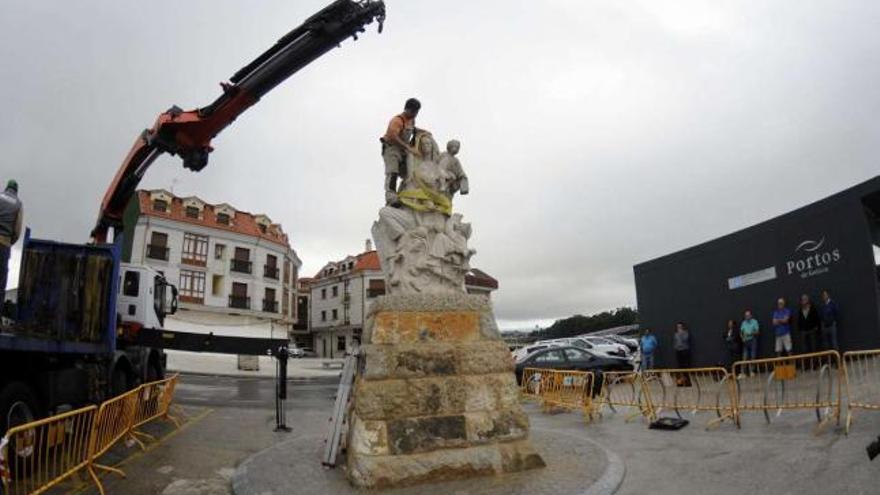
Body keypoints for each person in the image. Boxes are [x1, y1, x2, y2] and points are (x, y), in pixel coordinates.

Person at [380, 98, 421, 206]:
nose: (415, 115)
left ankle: (404, 194)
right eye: (413, 112)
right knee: (393, 172)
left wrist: (423, 133)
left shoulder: (411, 120)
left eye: (416, 112)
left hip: (402, 150)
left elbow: (414, 130)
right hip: (391, 148)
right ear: (407, 109)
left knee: (409, 173)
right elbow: (392, 136)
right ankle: (391, 197)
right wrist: (407, 147)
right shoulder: (397, 120)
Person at [0, 179, 23, 299]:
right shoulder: (18, 204)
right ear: (16, 191)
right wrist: (9, 242)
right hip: (4, 243)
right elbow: (17, 230)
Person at [739, 310, 760, 377]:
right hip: (745, 341)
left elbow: (757, 331)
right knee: (744, 357)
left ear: (751, 315)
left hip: (752, 340)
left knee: (753, 356)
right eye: (746, 315)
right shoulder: (743, 323)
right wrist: (742, 338)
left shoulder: (754, 322)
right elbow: (741, 332)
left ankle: (752, 371)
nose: (747, 317)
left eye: (748, 315)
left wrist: (750, 333)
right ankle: (743, 373)